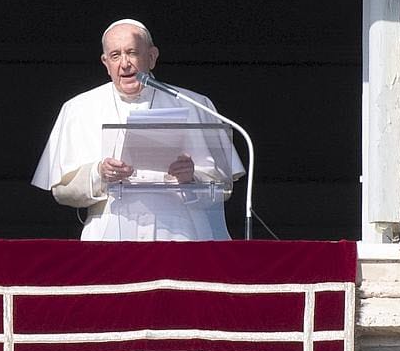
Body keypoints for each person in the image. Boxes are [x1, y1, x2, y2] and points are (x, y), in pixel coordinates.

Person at [32, 19, 245, 240]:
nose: (124, 64)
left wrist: (192, 180)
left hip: (181, 237)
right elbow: (61, 191)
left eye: (132, 53)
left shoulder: (194, 104)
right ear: (106, 63)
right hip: (111, 239)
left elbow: (224, 189)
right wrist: (99, 174)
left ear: (152, 57)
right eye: (115, 56)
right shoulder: (78, 108)